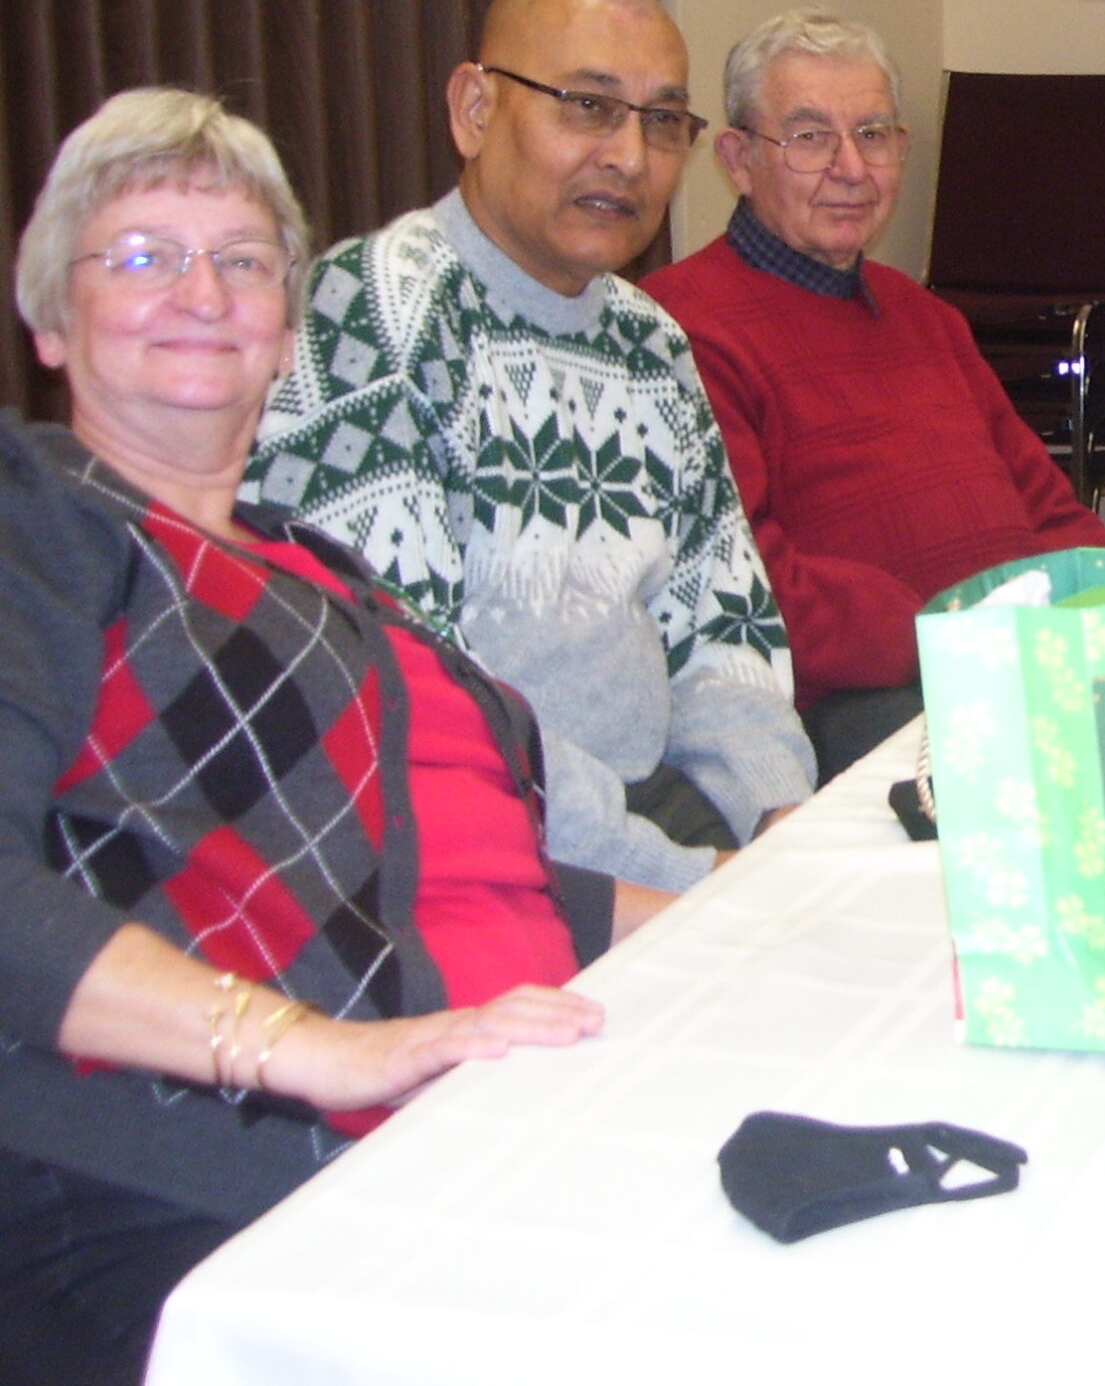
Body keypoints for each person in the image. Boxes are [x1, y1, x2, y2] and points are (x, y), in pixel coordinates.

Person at [0, 89, 659, 1383]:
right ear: (49, 322)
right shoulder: (41, 523)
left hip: (491, 1116)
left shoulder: (317, 567)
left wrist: (749, 911)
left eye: (244, 261)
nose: (202, 291)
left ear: (286, 332)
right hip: (192, 1174)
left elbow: (437, 864)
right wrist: (326, 1052)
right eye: (141, 255)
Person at [246, 0, 816, 891]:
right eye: (589, 107)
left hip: (651, 815)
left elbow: (724, 628)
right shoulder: (376, 313)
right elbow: (409, 703)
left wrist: (782, 823)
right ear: (475, 110)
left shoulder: (649, 341)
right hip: (476, 848)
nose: (629, 157)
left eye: (661, 121)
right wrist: (681, 879)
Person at [643, 10, 1105, 777]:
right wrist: (950, 634)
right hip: (856, 702)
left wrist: (1092, 604)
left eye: (873, 134)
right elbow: (747, 588)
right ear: (738, 160)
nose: (852, 168)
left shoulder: (924, 315)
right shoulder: (679, 330)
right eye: (810, 137)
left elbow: (1049, 508)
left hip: (1012, 656)